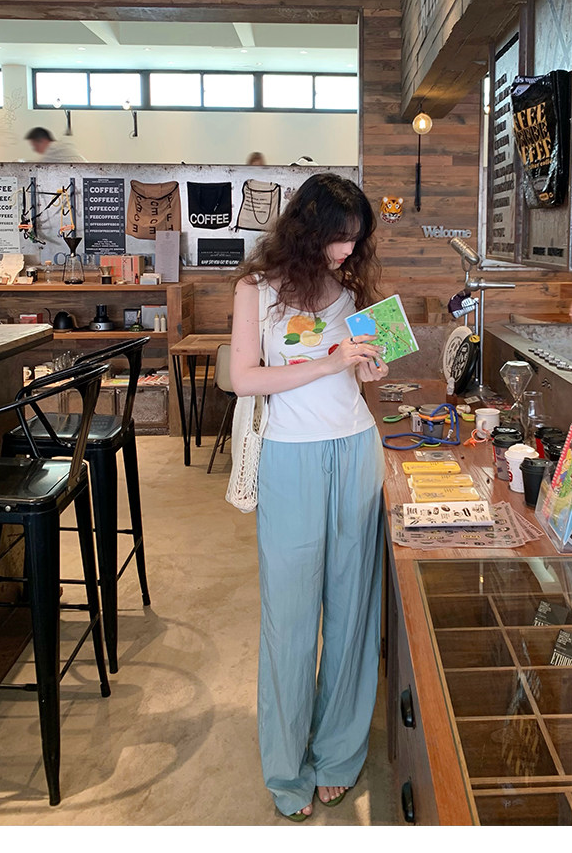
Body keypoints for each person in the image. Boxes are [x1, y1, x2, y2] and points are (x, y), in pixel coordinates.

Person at [229, 172, 388, 821]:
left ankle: (338, 753)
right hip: (289, 457)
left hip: (355, 449)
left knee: (352, 613)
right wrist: (329, 359)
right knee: (289, 619)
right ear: (308, 229)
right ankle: (286, 766)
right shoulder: (256, 289)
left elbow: (361, 377)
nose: (348, 251)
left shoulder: (352, 291)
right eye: (339, 238)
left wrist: (370, 366)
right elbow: (244, 377)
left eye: (356, 239)